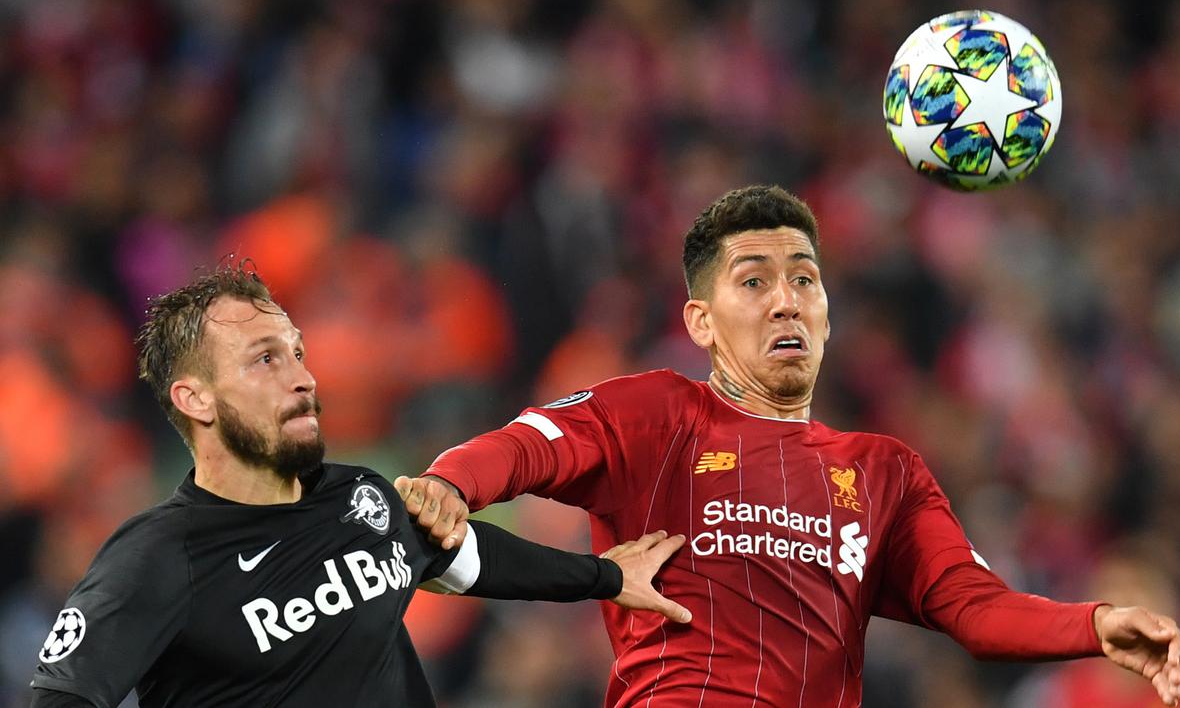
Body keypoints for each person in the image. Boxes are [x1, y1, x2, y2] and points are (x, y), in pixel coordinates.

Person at [402, 185, 1180, 707]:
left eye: (804, 279)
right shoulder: (654, 415)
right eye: (753, 281)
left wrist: (1092, 625)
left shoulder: (884, 472)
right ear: (701, 322)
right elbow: (527, 446)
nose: (786, 301)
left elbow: (975, 609)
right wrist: (451, 484)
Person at [28, 264, 690, 708]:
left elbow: (464, 556)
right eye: (265, 359)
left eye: (297, 352)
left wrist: (605, 577)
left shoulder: (357, 500)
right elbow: (62, 697)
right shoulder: (158, 556)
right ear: (195, 399)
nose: (302, 377)